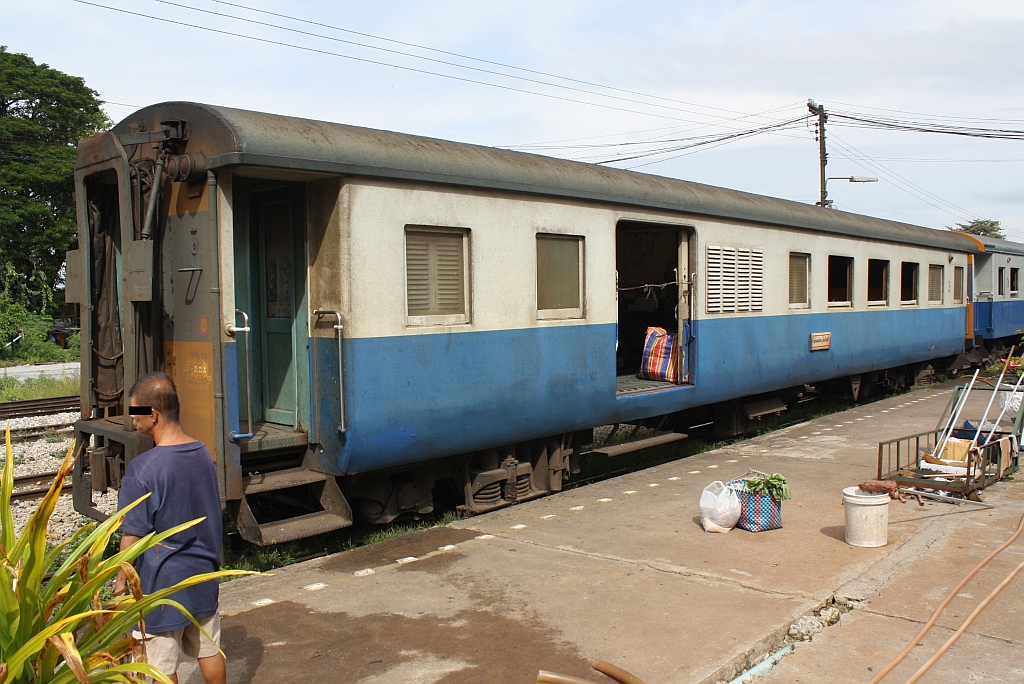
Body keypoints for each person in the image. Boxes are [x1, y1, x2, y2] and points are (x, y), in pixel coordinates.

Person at [114, 371, 225, 684]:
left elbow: (132, 534)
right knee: (209, 649)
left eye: (135, 411)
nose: (133, 419)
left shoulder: (143, 469)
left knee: (161, 665)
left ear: (153, 415)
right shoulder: (203, 453)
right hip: (204, 573)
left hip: (161, 584)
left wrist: (122, 579)